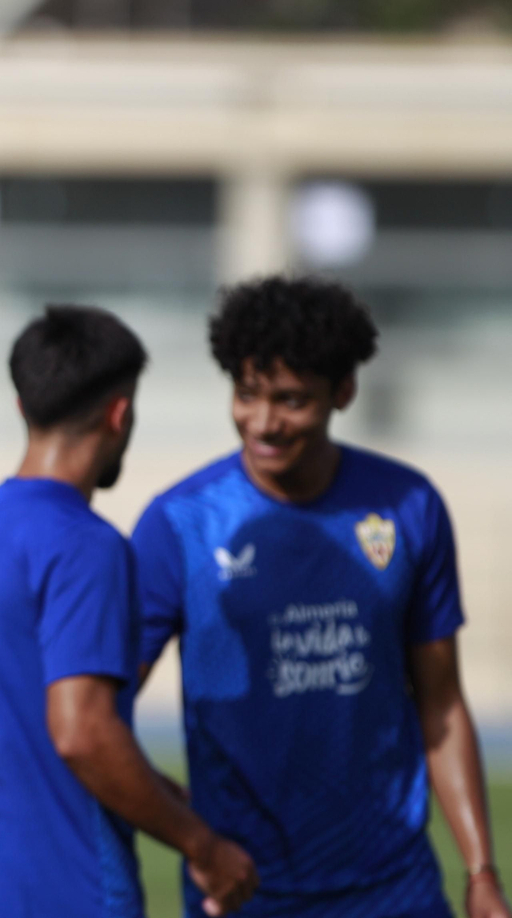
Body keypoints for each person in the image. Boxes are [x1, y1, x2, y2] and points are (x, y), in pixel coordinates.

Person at [134, 275, 510, 918]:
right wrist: (192, 837)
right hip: (243, 890)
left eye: (291, 400)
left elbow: (441, 705)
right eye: (247, 395)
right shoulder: (181, 524)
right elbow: (93, 715)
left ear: (344, 392)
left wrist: (481, 874)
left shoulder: (408, 507)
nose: (263, 422)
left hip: (395, 889)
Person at [0, 305, 258, 918]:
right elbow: (82, 732)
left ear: (24, 408)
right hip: (78, 895)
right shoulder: (87, 545)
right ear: (120, 413)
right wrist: (202, 847)